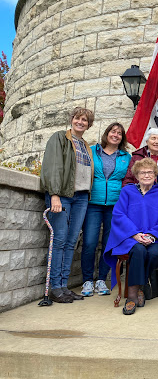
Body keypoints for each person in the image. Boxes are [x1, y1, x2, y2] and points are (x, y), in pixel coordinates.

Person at [104, 158, 158, 315]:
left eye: (150, 172)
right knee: (138, 251)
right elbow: (119, 215)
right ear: (136, 175)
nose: (146, 175)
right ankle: (131, 297)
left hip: (155, 237)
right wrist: (135, 234)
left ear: (155, 175)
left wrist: (151, 234)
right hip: (130, 237)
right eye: (142, 172)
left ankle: (140, 287)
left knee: (152, 253)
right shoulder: (127, 192)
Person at [40, 107, 95, 303]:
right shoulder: (59, 138)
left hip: (81, 198)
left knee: (72, 242)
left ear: (89, 125)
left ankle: (64, 286)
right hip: (62, 196)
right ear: (72, 119)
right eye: (78, 118)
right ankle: (55, 287)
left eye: (85, 120)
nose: (81, 122)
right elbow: (52, 166)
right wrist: (54, 195)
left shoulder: (86, 145)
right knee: (60, 240)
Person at [81, 123, 131, 297]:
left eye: (119, 133)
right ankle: (87, 280)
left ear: (122, 137)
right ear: (107, 134)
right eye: (113, 131)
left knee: (109, 243)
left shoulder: (126, 157)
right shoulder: (92, 150)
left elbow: (129, 180)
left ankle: (102, 278)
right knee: (89, 242)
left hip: (115, 206)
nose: (115, 135)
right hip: (93, 203)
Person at [123, 127, 158, 208]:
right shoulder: (136, 158)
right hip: (140, 203)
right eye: (153, 138)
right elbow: (128, 180)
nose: (156, 142)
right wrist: (137, 197)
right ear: (147, 141)